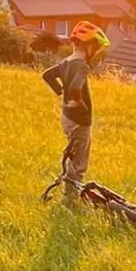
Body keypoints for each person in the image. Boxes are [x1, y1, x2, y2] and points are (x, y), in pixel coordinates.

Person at [40, 21, 110, 188]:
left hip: (67, 118)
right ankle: (71, 195)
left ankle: (69, 184)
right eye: (96, 48)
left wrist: (60, 91)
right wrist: (78, 101)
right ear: (90, 47)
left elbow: (47, 75)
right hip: (80, 121)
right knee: (79, 163)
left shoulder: (66, 63)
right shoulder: (82, 67)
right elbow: (75, 87)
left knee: (72, 154)